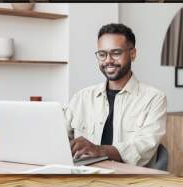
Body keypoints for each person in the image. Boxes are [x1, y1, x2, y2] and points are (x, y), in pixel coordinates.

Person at [64, 23, 167, 167]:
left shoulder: (154, 98)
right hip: (83, 176)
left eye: (116, 53)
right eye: (102, 54)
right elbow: (59, 137)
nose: (108, 60)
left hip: (130, 181)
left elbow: (144, 147)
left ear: (132, 54)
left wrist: (99, 150)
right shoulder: (81, 97)